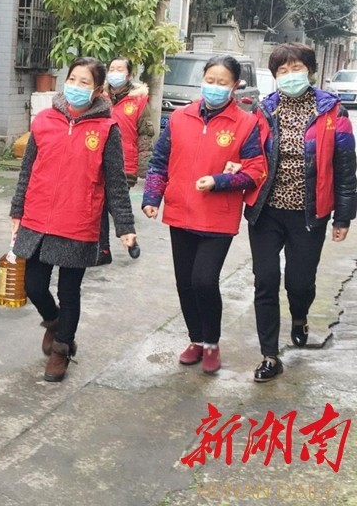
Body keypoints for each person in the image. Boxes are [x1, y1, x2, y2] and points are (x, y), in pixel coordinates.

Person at [10, 56, 137, 382]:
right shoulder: (44, 121)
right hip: (38, 217)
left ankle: (62, 348)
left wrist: (125, 227)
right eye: (73, 79)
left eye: (85, 82)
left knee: (69, 290)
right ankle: (54, 322)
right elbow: (27, 170)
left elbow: (115, 182)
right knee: (33, 285)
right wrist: (17, 211)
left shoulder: (107, 129)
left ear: (97, 90)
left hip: (80, 221)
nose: (76, 86)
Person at [142, 54, 266, 375]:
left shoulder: (246, 124)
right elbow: (159, 161)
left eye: (222, 82)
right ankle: (196, 339)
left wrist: (219, 181)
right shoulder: (180, 117)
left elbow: (256, 171)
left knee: (204, 281)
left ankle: (211, 343)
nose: (214, 87)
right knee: (185, 282)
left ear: (235, 86)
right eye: (210, 80)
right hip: (180, 212)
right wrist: (153, 197)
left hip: (218, 217)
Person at [246, 42, 356, 382]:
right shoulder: (263, 110)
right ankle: (269, 355)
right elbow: (248, 155)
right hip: (266, 211)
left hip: (309, 214)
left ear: (310, 70)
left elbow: (346, 168)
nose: (290, 75)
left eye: (296, 68)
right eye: (282, 70)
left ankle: (299, 316)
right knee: (265, 280)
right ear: (275, 75)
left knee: (300, 282)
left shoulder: (333, 112)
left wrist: (343, 216)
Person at [97, 56, 154, 263]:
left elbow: (145, 134)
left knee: (114, 204)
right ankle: (103, 249)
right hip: (98, 159)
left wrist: (144, 166)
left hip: (125, 162)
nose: (115, 73)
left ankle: (128, 236)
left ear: (129, 74)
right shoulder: (100, 96)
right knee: (100, 205)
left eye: (119, 69)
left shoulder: (139, 100)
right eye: (112, 68)